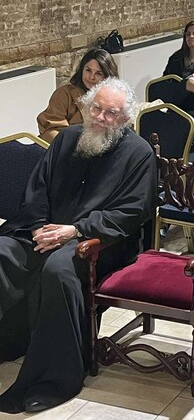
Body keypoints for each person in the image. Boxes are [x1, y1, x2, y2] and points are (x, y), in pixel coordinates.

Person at [0, 78, 156, 413]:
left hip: (101, 242)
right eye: (96, 108)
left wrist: (75, 230)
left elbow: (132, 213)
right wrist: (39, 227)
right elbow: (37, 190)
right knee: (3, 253)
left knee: (58, 270)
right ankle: (8, 341)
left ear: (124, 119)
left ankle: (54, 378)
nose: (100, 117)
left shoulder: (139, 154)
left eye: (110, 113)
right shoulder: (67, 138)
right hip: (45, 232)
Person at [37, 48, 118, 143]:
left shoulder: (116, 98)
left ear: (107, 76)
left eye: (98, 73)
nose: (91, 77)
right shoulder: (64, 94)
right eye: (88, 70)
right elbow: (51, 130)